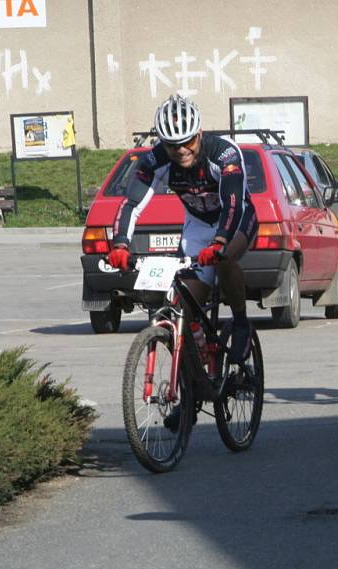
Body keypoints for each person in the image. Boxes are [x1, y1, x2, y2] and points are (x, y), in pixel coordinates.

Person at [107, 94, 258, 369]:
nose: (181, 150)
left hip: (235, 220)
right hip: (198, 226)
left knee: (224, 259)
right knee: (183, 309)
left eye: (187, 141)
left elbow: (233, 204)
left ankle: (240, 322)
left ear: (199, 133)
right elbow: (131, 203)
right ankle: (188, 397)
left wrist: (220, 241)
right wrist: (120, 244)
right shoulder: (155, 161)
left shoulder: (224, 153)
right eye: (172, 145)